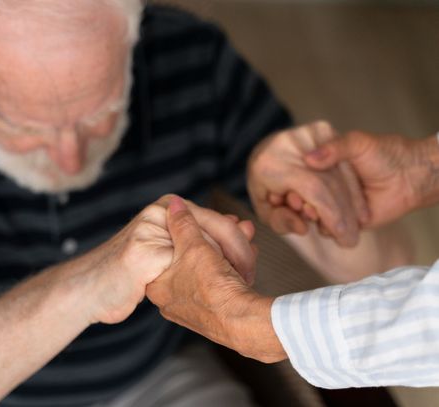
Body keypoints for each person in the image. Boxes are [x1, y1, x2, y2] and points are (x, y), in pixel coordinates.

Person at [0, 1, 288, 406]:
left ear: (133, 36)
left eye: (102, 112)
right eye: (23, 125)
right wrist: (90, 284)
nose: (71, 159)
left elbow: (344, 248)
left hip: (160, 377)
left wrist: (330, 196)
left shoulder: (190, 55)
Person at [148, 128, 439, 390]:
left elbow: (388, 259)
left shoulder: (204, 83)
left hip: (172, 369)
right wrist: (426, 166)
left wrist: (259, 326)